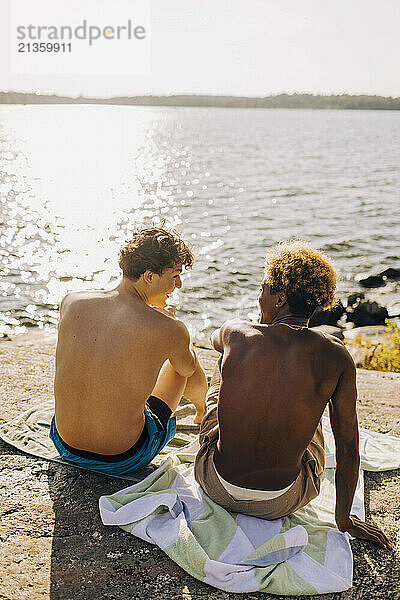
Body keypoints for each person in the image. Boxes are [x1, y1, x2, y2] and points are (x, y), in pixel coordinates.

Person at [194, 241, 391, 549]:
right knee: (311, 411)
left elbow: (214, 339)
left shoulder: (236, 332)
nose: (259, 297)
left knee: (224, 367)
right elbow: (349, 447)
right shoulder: (337, 356)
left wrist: (257, 337)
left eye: (264, 290)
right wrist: (344, 520)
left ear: (280, 298)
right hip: (280, 500)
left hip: (216, 484)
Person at [50, 227, 207, 475]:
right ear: (149, 276)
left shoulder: (72, 301)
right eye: (175, 275)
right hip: (123, 457)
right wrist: (176, 331)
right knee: (184, 362)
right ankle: (203, 413)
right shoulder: (169, 327)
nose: (178, 284)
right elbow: (187, 368)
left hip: (64, 444)